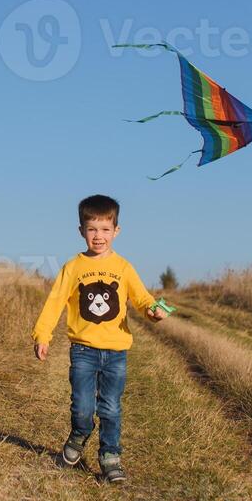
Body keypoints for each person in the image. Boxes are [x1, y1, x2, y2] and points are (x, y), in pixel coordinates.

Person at [31, 194, 168, 483]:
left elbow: (141, 298)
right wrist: (42, 334)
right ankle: (79, 433)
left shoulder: (123, 267)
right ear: (81, 230)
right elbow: (55, 302)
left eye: (105, 229)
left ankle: (110, 456)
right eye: (92, 229)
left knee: (110, 407)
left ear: (116, 231)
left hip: (116, 352)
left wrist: (152, 310)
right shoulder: (73, 267)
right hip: (83, 351)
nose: (99, 236)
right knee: (82, 407)